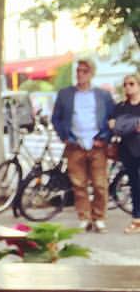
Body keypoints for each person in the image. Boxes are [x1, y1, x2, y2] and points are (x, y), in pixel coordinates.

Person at [51, 58, 116, 232]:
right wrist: (64, 137)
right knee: (78, 185)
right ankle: (84, 217)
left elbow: (112, 118)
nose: (80, 74)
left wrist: (104, 138)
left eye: (84, 71)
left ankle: (99, 217)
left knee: (100, 184)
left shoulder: (103, 95)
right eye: (78, 71)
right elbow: (56, 118)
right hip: (75, 144)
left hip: (97, 144)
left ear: (92, 74)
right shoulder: (66, 94)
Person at [112, 73, 140, 234]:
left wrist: (125, 125)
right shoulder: (121, 106)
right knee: (134, 184)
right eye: (125, 84)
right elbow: (114, 125)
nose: (128, 87)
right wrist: (132, 126)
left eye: (131, 84)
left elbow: (120, 125)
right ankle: (137, 218)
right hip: (128, 150)